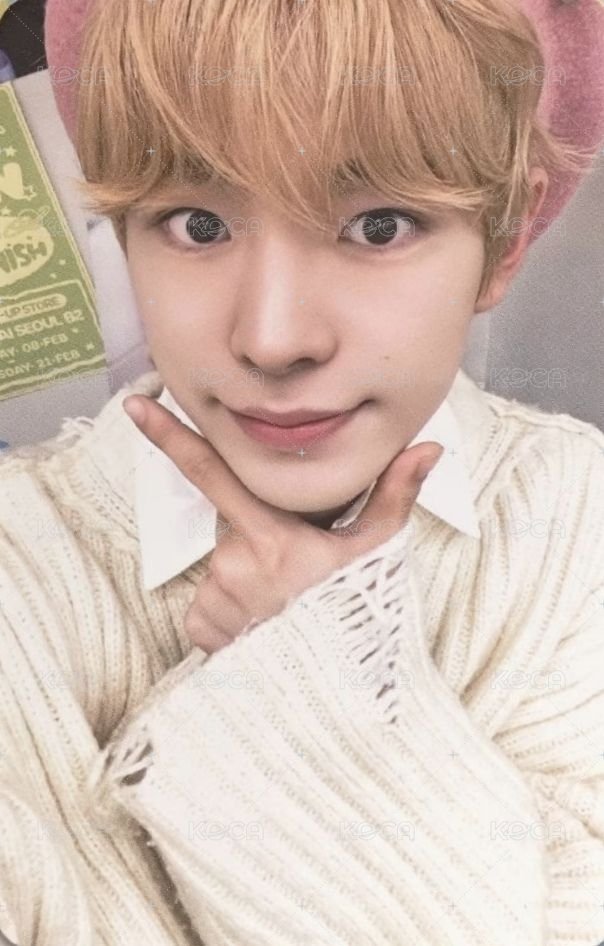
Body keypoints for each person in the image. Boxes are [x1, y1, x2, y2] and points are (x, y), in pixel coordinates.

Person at [0, 0, 603, 942]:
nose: (273, 338)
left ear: (508, 236)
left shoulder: (581, 527)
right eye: (199, 224)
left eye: (379, 226)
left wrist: (317, 668)